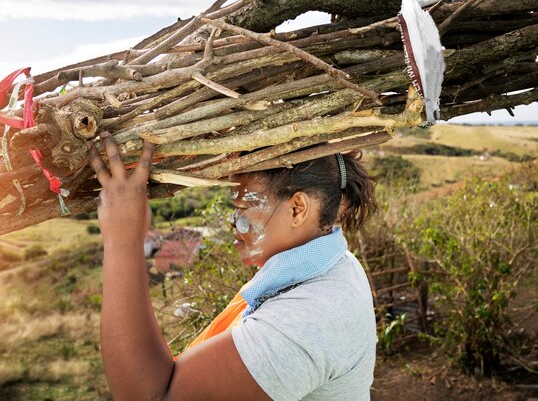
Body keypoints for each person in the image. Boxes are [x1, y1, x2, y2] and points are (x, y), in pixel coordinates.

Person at [88, 131, 378, 400]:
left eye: (241, 209)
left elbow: (152, 396)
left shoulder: (310, 319)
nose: (232, 223)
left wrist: (123, 241)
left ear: (297, 209)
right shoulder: (329, 265)